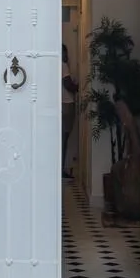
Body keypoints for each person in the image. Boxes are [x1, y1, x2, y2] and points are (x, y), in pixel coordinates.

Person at [61, 44, 77, 180]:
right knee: (64, 138)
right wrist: (78, 87)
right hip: (66, 104)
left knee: (60, 138)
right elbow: (67, 84)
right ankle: (61, 169)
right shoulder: (63, 65)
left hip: (58, 104)